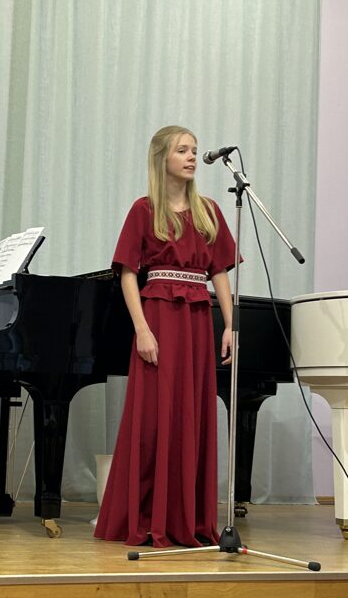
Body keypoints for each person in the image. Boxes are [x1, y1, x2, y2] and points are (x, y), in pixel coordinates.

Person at [94, 126, 237, 548]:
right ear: (162, 158)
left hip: (197, 322)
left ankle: (187, 519)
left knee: (192, 415)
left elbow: (219, 272)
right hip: (157, 320)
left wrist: (231, 325)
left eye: (194, 150)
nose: (192, 157)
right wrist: (142, 330)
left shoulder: (209, 211)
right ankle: (145, 517)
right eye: (182, 150)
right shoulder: (144, 210)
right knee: (153, 420)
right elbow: (127, 274)